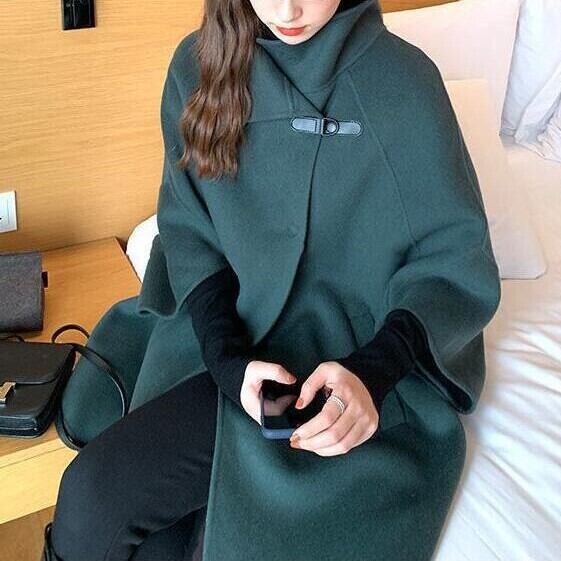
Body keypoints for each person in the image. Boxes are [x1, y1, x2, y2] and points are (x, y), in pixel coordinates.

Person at [41, 1, 502, 560]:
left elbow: (453, 259)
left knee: (140, 514)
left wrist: (374, 372)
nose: (287, 9)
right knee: (100, 503)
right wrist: (228, 362)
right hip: (220, 339)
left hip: (349, 366)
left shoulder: (404, 84)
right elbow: (190, 231)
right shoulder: (197, 66)